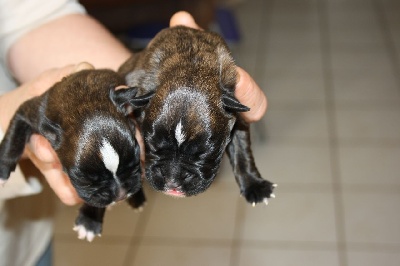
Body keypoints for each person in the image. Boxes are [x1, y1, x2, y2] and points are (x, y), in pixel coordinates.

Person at [0, 1, 267, 265]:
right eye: (157, 148)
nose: (172, 178)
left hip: (25, 247)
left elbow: (36, 18)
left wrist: (133, 88)